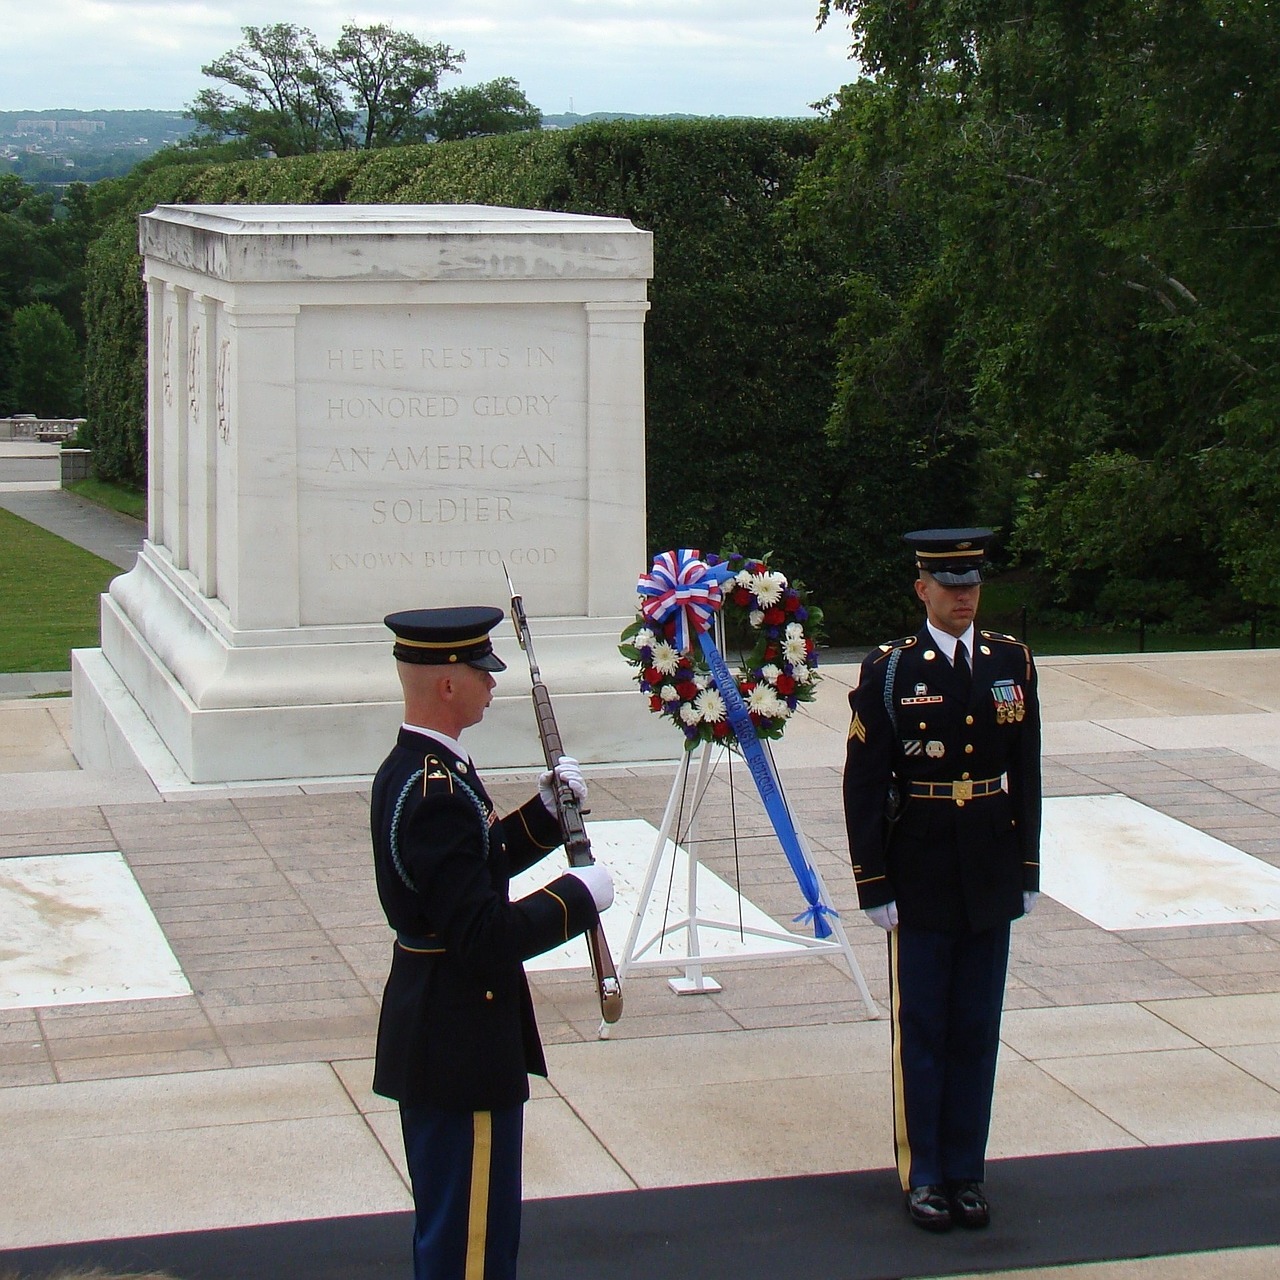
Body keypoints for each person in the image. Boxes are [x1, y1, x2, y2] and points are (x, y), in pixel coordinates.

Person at [370, 604, 614, 1280]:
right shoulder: (436, 790)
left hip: (448, 1031)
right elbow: (480, 935)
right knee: (470, 1247)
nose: (492, 683)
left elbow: (469, 869)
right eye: (482, 672)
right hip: (458, 1040)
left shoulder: (422, 770)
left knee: (469, 1233)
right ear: (449, 684)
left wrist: (540, 816)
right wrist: (578, 899)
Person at [842, 529, 1041, 1232]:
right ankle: (924, 1170)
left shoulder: (1010, 661)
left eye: (972, 583)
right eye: (949, 585)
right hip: (921, 865)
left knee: (977, 1027)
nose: (963, 596)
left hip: (988, 863)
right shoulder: (892, 670)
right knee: (923, 1025)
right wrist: (874, 882)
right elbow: (864, 784)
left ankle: (965, 1169)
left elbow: (1028, 772)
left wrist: (1027, 869)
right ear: (921, 588)